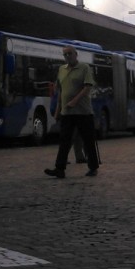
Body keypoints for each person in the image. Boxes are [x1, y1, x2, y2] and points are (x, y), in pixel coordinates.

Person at [45, 45, 100, 179]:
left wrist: (74, 101)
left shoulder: (84, 68)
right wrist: (58, 111)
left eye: (70, 53)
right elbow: (61, 92)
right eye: (65, 54)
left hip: (83, 112)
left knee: (88, 140)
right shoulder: (61, 70)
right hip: (67, 113)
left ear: (76, 54)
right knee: (64, 140)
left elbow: (87, 87)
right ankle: (60, 169)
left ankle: (93, 167)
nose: (68, 56)